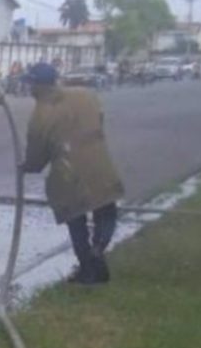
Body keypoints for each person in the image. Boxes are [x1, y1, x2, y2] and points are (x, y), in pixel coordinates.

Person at [21, 63, 125, 285]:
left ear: (36, 85)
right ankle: (99, 247)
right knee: (106, 211)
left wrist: (26, 167)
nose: (28, 89)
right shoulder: (85, 94)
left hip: (68, 175)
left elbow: (36, 159)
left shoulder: (39, 116)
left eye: (30, 84)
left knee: (76, 221)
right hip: (100, 165)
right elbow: (99, 118)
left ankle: (88, 268)